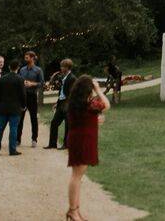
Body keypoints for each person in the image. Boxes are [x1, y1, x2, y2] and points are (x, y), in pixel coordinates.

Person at [65, 75, 110, 221]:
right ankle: (72, 211)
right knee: (77, 176)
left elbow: (84, 120)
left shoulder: (77, 103)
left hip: (79, 139)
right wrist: (98, 89)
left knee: (77, 176)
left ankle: (75, 210)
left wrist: (95, 121)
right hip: (83, 141)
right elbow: (107, 105)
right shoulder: (89, 104)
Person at [0, 59, 26, 156]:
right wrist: (23, 106)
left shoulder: (2, 79)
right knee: (13, 128)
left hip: (3, 107)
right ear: (18, 68)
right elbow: (23, 95)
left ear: (9, 67)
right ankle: (12, 149)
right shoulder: (20, 79)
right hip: (15, 107)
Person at [46, 59, 75, 149]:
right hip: (61, 103)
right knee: (54, 122)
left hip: (67, 104)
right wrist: (57, 102)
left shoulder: (72, 78)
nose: (61, 68)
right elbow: (62, 92)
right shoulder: (64, 77)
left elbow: (72, 93)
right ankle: (52, 143)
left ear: (67, 67)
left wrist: (68, 104)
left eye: (63, 66)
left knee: (67, 124)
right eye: (61, 66)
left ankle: (66, 144)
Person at [17, 51, 44, 147]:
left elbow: (42, 83)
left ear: (32, 58)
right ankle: (17, 140)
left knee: (33, 118)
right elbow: (19, 80)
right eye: (25, 57)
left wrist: (32, 84)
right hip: (22, 97)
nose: (25, 59)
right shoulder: (22, 70)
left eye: (27, 57)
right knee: (20, 119)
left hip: (32, 96)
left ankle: (34, 139)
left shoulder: (38, 70)